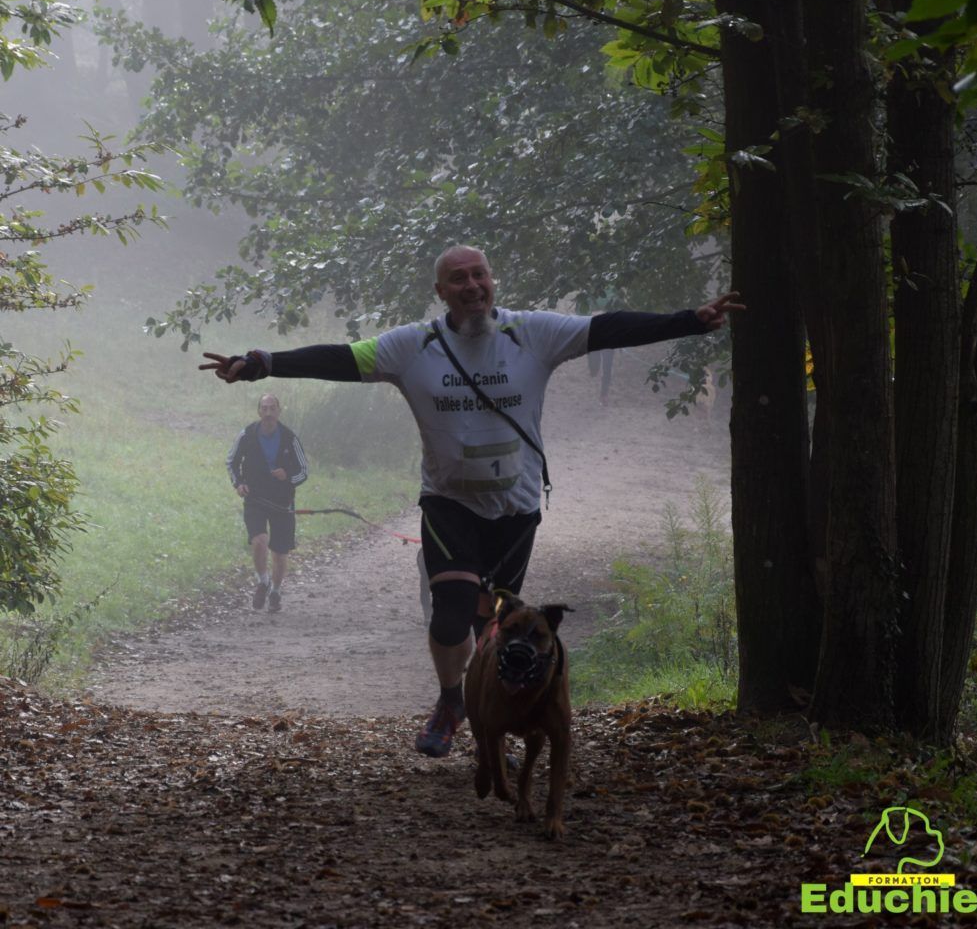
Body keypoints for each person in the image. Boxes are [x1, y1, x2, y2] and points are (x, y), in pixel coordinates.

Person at [201, 245, 744, 756]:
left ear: (492, 282)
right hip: (448, 504)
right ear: (442, 291)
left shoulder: (533, 332)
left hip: (517, 507)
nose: (472, 285)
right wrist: (263, 362)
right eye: (458, 278)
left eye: (479, 274)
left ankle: (491, 709)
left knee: (493, 619)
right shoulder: (411, 344)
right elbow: (340, 358)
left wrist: (689, 320)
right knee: (450, 616)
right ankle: (449, 701)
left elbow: (608, 328)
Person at [227, 393, 309, 613]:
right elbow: (231, 462)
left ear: (279, 411)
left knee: (280, 553)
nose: (269, 413)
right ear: (259, 411)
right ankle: (263, 581)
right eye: (264, 408)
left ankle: (276, 591)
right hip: (255, 499)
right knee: (259, 541)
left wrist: (288, 476)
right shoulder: (247, 434)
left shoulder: (290, 438)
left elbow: (304, 471)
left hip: (283, 502)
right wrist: (239, 484)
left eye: (272, 408)